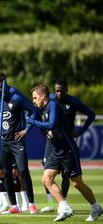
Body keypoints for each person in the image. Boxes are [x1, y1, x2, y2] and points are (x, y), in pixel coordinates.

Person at [28, 84, 102, 222]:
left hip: (68, 149)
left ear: (43, 95)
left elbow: (51, 124)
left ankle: (96, 208)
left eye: (35, 98)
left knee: (76, 183)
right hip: (56, 150)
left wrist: (33, 121)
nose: (33, 100)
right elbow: (33, 117)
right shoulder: (41, 108)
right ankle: (65, 207)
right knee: (46, 179)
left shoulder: (53, 105)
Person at [40, 79, 96, 212]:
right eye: (57, 91)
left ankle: (63, 203)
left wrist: (81, 131)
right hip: (52, 142)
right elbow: (39, 114)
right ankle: (52, 204)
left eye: (62, 91)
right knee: (46, 174)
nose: (59, 93)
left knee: (68, 176)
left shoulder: (73, 101)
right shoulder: (51, 100)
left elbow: (91, 115)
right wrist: (44, 131)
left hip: (67, 142)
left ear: (67, 90)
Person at [0, 77, 40, 215]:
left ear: (6, 86)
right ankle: (14, 206)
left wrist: (26, 129)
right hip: (3, 143)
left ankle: (31, 204)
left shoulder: (16, 99)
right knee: (6, 174)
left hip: (17, 142)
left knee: (23, 171)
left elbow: (34, 111)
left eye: (1, 87)